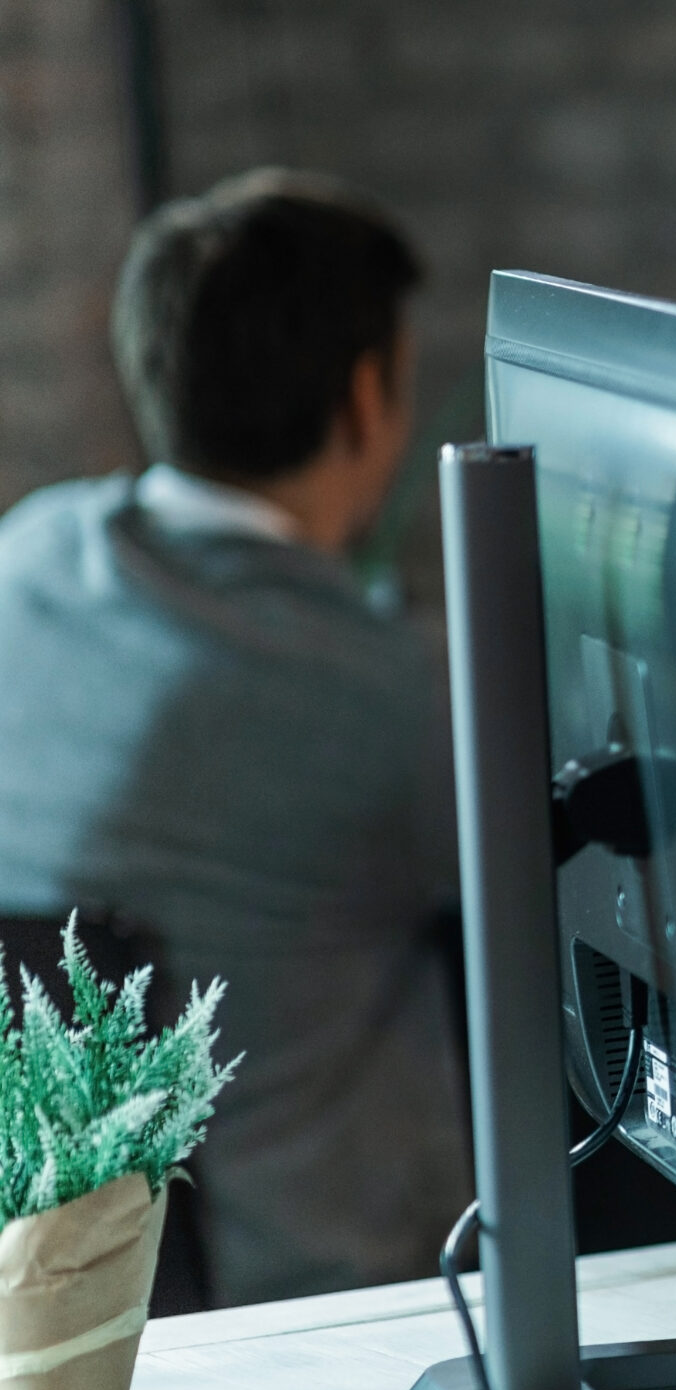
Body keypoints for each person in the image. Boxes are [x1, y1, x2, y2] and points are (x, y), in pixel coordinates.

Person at [0, 169, 470, 1305]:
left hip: (68, 1306)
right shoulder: (387, 694)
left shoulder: (29, 560)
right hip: (317, 1307)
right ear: (367, 396)